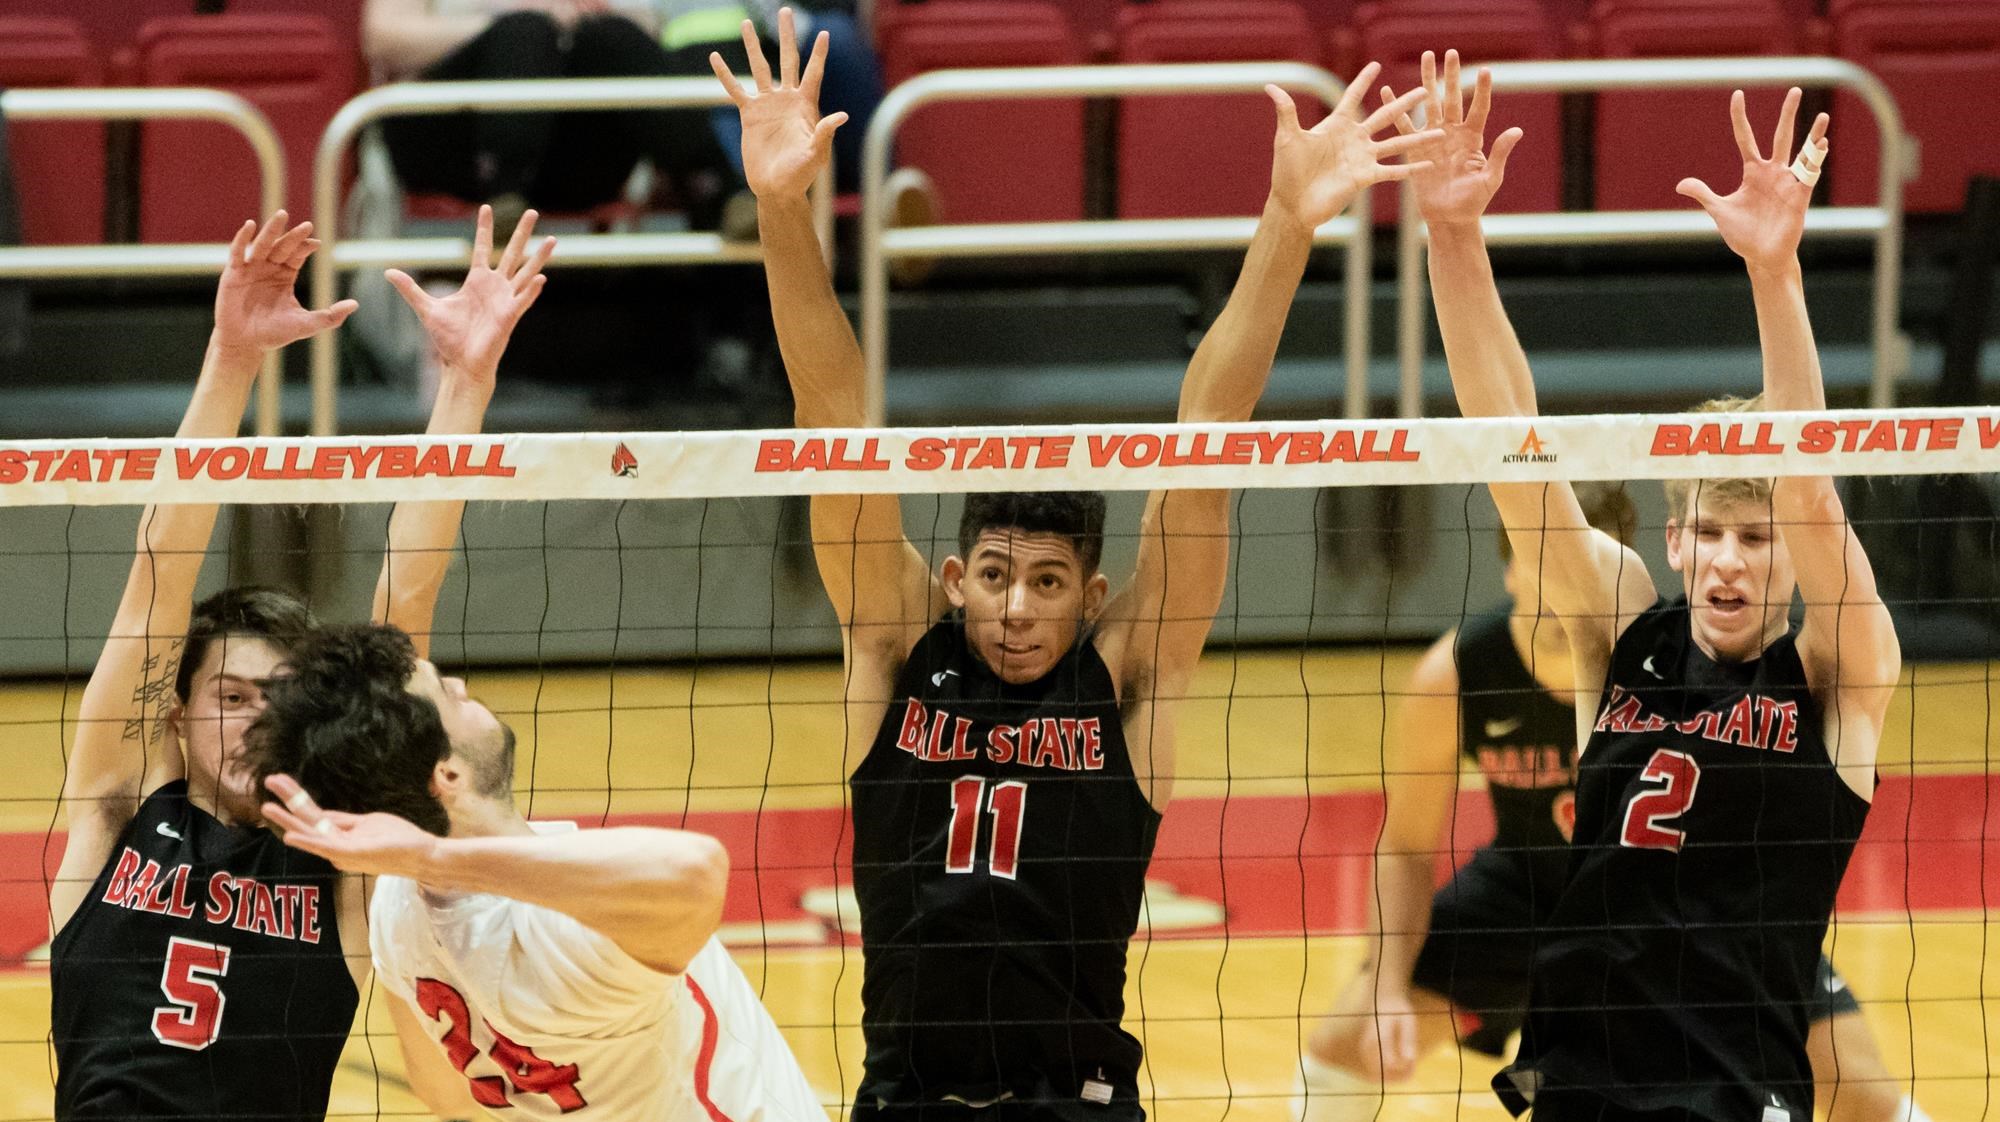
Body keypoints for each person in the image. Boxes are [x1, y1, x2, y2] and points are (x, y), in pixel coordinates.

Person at [711, 10, 1440, 1115]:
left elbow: (1208, 432)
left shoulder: (1129, 676)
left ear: (1090, 597)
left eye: (1046, 584)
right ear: (952, 581)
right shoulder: (897, 642)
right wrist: (780, 209)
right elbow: (829, 417)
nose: (1013, 608)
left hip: (1078, 1096)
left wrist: (1286, 223)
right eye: (994, 575)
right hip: (910, 1095)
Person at [1388, 50, 1904, 1122]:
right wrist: (1451, 239)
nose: (1725, 559)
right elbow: (1511, 456)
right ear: (1671, 539)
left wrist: (1774, 273)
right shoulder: (1623, 627)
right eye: (1706, 532)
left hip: (1733, 1087)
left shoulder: (1837, 670)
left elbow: (1809, 493)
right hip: (1580, 1077)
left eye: (1751, 539)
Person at [47, 204, 553, 1120]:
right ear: (176, 712)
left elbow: (406, 610)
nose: (251, 720)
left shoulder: (342, 847)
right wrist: (232, 359)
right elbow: (157, 580)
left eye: (276, 699)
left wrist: (464, 384)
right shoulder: (118, 811)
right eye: (229, 695)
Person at [1294, 488, 1928, 1122]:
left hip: (1691, 914)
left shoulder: (1656, 660)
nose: (1555, 587)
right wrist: (1385, 986)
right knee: (1344, 1042)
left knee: (1865, 1094)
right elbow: (1405, 844)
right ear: (1514, 567)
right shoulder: (1456, 675)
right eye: (1538, 564)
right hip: (1523, 895)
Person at [246, 625, 824, 1120]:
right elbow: (696, 870)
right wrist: (432, 855)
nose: (464, 687)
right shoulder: (550, 931)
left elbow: (444, 1093)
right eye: (449, 695)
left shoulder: (398, 907)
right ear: (446, 775)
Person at [363, 0, 752, 234]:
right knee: (525, 32)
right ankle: (502, 199)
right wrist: (515, 23)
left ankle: (724, 193)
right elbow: (383, 36)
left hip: (569, 151)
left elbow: (646, 31)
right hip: (454, 144)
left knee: (613, 36)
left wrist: (578, 20)